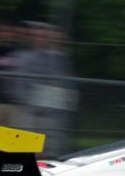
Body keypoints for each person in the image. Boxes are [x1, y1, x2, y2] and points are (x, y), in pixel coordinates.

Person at [10, 22, 77, 157]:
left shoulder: (60, 57)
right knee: (26, 149)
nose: (41, 38)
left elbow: (65, 84)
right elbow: (18, 83)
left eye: (44, 35)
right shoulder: (23, 56)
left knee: (50, 150)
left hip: (53, 113)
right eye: (37, 35)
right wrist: (26, 102)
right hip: (30, 111)